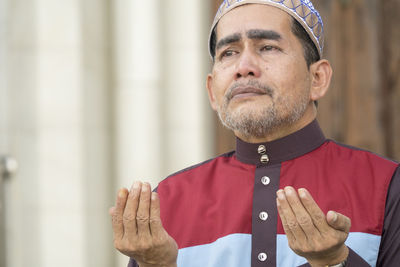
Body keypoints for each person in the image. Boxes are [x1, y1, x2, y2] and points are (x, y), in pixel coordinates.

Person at [109, 0, 400, 266]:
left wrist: (336, 261)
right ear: (212, 91)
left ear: (318, 79)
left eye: (267, 47)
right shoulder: (169, 202)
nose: (244, 67)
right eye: (229, 53)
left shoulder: (386, 188)